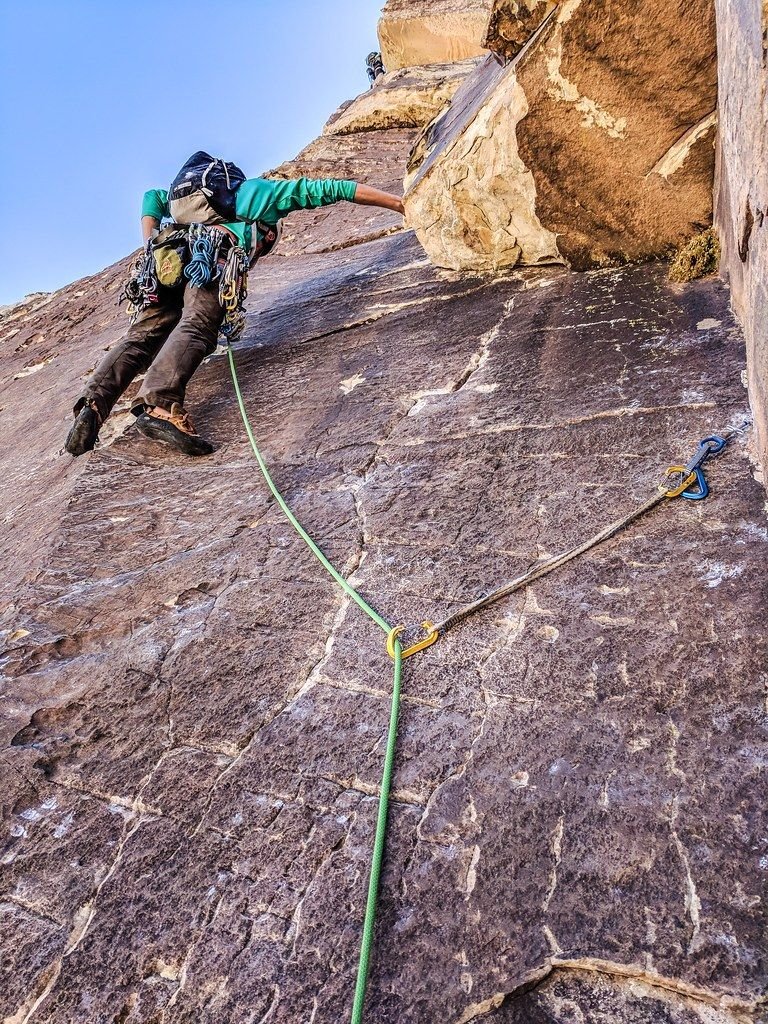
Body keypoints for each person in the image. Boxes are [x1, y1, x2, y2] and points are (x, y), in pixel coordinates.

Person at [65, 173, 404, 457]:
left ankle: (92, 406)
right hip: (212, 259)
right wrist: (398, 204)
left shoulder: (197, 196)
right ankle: (160, 405)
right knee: (198, 326)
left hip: (167, 260)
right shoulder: (269, 195)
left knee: (142, 336)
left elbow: (152, 195)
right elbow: (336, 189)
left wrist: (149, 241)